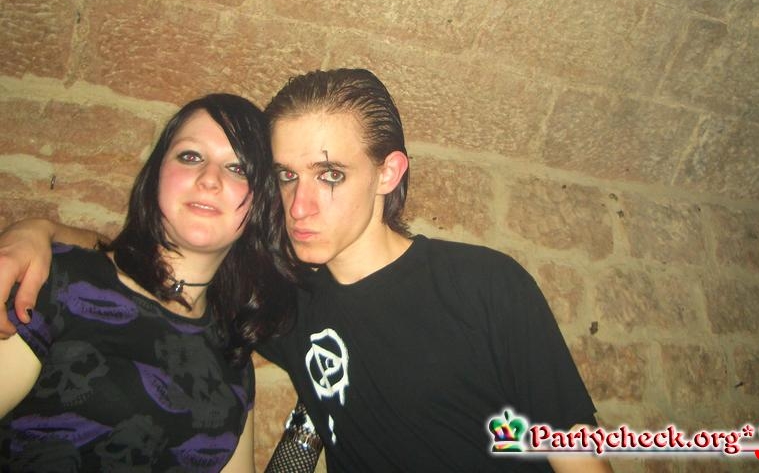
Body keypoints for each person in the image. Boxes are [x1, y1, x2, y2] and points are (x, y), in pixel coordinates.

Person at [0, 69, 612, 473]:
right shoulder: (284, 304)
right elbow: (151, 270)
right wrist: (42, 232)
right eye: (286, 177)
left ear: (389, 173)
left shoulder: (483, 285)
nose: (300, 206)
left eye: (331, 175)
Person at [0, 94, 297, 472]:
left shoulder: (231, 357)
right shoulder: (57, 283)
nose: (210, 178)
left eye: (238, 168)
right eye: (191, 156)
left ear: (260, 203)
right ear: (156, 174)